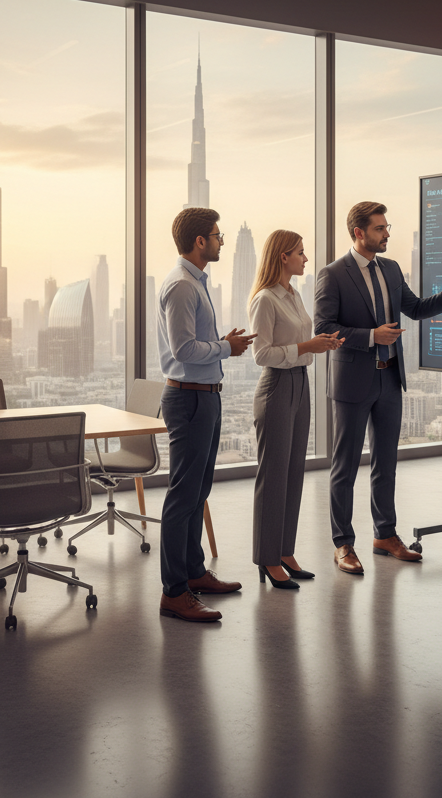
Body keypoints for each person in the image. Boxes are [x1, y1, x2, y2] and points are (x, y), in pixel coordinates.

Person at [314, 201, 442, 574]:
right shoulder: (333, 274)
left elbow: (416, 308)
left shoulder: (390, 268)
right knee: (345, 467)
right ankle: (343, 544)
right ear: (359, 233)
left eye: (387, 227)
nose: (387, 233)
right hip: (353, 382)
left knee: (386, 465)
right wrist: (371, 336)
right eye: (380, 228)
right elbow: (323, 328)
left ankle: (385, 535)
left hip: (389, 378)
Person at [156, 207, 256, 623]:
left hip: (205, 396)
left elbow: (194, 343)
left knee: (198, 492)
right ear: (200, 242)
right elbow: (183, 350)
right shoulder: (182, 286)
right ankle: (174, 592)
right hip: (190, 398)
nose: (220, 241)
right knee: (182, 496)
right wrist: (225, 348)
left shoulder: (195, 282)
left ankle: (194, 572)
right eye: (216, 235)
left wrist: (219, 344)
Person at [248, 231, 344, 589]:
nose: (306, 259)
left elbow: (300, 342)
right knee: (272, 477)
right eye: (301, 253)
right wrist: (306, 345)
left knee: (293, 473)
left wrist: (320, 345)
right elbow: (262, 354)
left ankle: (285, 551)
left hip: (300, 384)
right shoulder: (265, 300)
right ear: (283, 256)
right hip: (276, 386)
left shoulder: (294, 294)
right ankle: (267, 559)